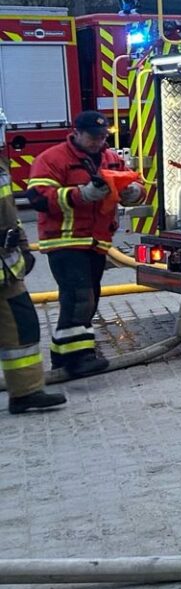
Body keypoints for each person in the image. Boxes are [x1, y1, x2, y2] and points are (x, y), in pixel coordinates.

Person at [25, 111, 144, 378]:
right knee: (80, 298)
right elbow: (38, 197)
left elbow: (136, 185)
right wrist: (83, 194)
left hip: (96, 242)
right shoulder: (53, 159)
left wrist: (132, 191)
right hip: (65, 241)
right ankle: (80, 358)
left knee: (87, 298)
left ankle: (62, 357)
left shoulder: (110, 158)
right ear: (76, 133)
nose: (99, 142)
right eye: (93, 137)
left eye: (103, 137)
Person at [1, 111, 66, 414]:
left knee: (24, 327)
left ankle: (26, 392)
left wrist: (24, 248)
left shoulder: (1, 166)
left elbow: (9, 214)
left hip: (6, 270)